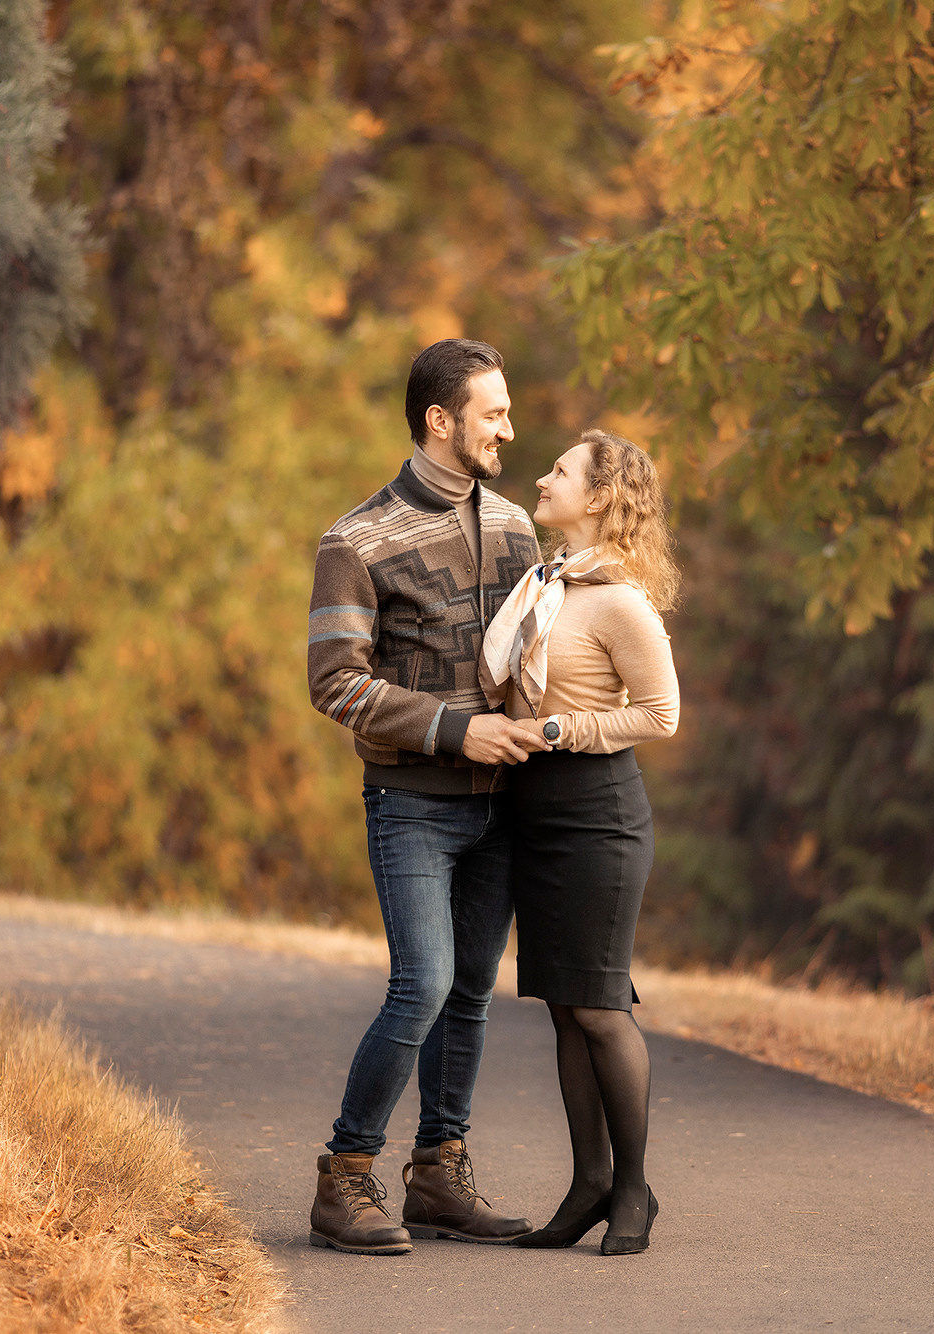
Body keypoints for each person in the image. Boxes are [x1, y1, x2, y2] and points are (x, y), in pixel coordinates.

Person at [305, 338, 547, 1255]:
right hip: (411, 801)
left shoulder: (520, 528)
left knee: (473, 993)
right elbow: (334, 683)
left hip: (502, 805)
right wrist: (456, 728)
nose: (509, 430)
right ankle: (346, 1176)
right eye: (494, 413)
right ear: (440, 421)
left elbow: (531, 660)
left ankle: (439, 1175)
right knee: (423, 987)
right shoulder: (356, 540)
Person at [478, 428, 681, 1257]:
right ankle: (587, 1182)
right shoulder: (542, 583)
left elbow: (660, 714)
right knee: (566, 1006)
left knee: (600, 1006)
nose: (542, 475)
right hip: (537, 812)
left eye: (560, 471)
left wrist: (562, 727)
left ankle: (633, 1188)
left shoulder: (620, 601)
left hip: (599, 815)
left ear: (599, 497)